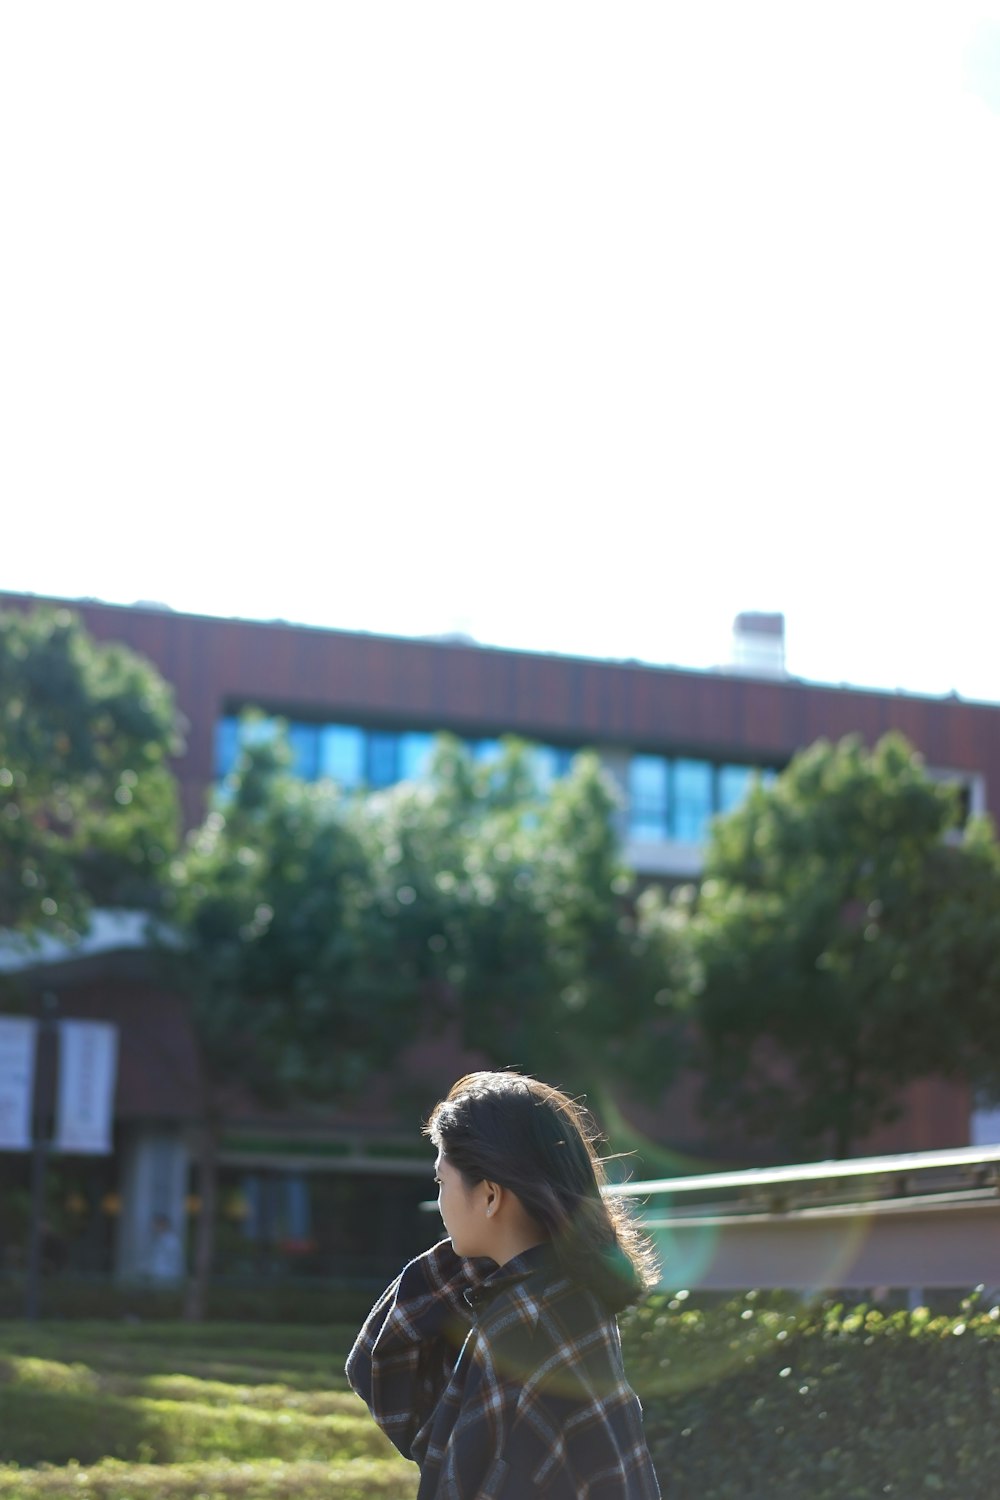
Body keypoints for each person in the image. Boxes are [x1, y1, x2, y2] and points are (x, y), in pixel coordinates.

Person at [346, 1070, 662, 1498]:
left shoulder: (524, 1322)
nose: (439, 1201)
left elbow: (386, 1373)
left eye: (442, 1181)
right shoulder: (562, 1295)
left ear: (490, 1196)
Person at [146, 1212, 184, 1281]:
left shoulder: (172, 1241)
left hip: (168, 1276)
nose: (153, 1227)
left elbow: (175, 1261)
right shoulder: (158, 1239)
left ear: (163, 1224)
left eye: (156, 1224)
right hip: (158, 1276)